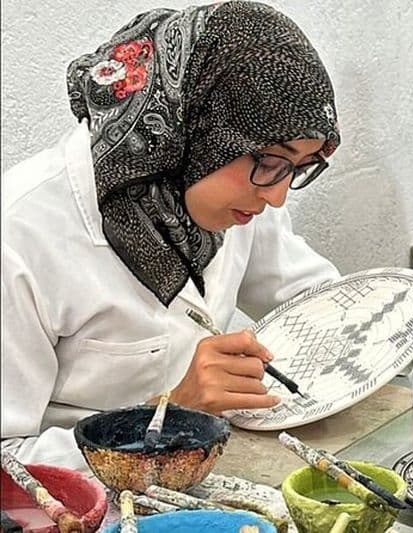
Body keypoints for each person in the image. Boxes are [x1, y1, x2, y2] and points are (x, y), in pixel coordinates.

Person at [1, 1, 341, 470]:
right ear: (195, 126)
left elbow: (318, 300)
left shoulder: (232, 197)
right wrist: (169, 415)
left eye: (299, 168)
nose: (279, 196)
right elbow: (8, 463)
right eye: (268, 162)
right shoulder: (21, 235)